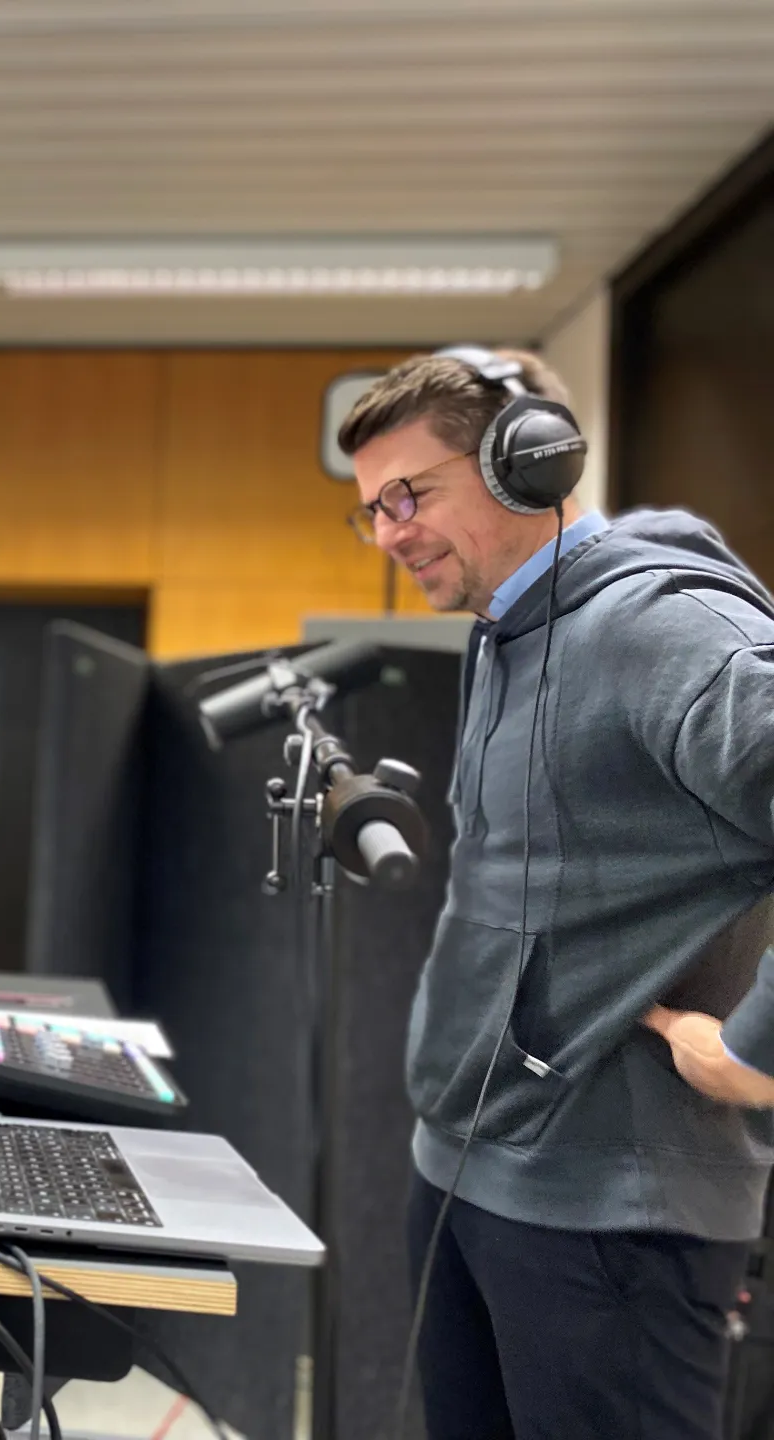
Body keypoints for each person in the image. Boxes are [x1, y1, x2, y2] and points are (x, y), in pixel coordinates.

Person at [340, 347, 774, 1440]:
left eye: (410, 494)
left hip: (611, 1218)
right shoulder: (507, 633)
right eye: (371, 509)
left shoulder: (662, 628)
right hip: (470, 1173)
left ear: (526, 465)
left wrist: (762, 1049)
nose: (389, 533)